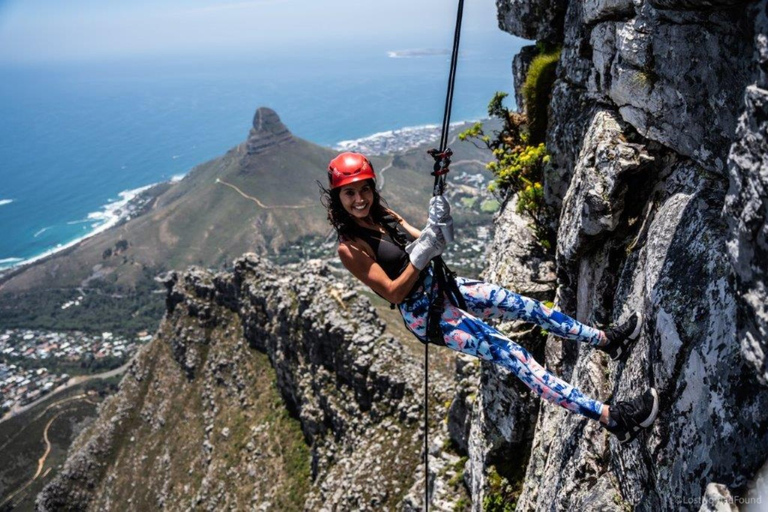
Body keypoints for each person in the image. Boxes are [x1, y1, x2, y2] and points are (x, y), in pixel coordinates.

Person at [321, 152, 659, 443]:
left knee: (524, 305)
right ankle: (612, 417)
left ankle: (605, 340)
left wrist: (440, 218)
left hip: (445, 287)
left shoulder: (382, 213)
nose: (360, 198)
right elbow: (393, 291)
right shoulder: (350, 247)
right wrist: (423, 250)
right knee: (515, 355)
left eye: (364, 189)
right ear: (338, 197)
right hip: (431, 316)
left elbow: (432, 240)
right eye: (349, 193)